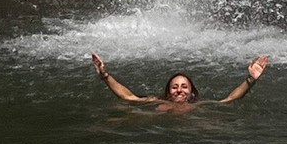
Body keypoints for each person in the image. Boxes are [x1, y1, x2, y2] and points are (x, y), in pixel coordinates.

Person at [91, 53, 269, 111]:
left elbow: (229, 99)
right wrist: (105, 76)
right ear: (168, 91)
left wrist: (250, 80)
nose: (179, 90)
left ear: (191, 92)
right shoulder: (158, 101)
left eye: (184, 87)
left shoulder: (198, 106)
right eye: (175, 87)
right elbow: (128, 96)